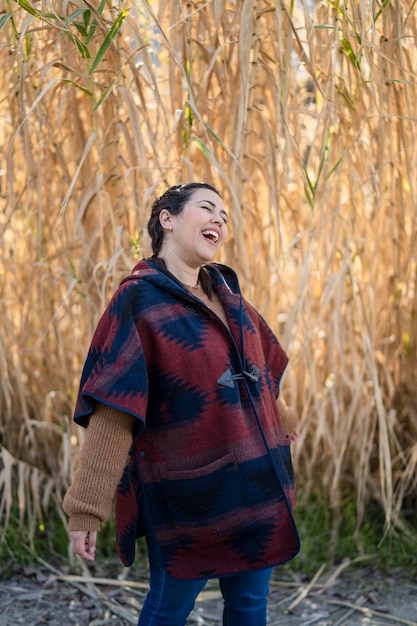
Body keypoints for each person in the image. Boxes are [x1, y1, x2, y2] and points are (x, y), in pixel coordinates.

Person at [63, 182, 300, 626]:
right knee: (169, 608)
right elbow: (115, 411)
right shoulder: (138, 300)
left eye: (225, 215)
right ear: (167, 220)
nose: (220, 220)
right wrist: (86, 509)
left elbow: (262, 369)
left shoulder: (229, 295)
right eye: (207, 208)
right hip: (190, 496)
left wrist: (284, 418)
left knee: (250, 605)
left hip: (258, 483)